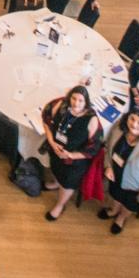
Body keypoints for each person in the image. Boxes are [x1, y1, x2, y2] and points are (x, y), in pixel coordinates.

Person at [40, 85, 103, 221]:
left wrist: (71, 155)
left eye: (81, 100)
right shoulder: (62, 105)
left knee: (67, 183)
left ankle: (60, 205)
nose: (76, 103)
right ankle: (56, 183)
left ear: (86, 102)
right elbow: (45, 116)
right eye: (74, 98)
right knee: (56, 169)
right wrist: (51, 142)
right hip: (56, 152)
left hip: (74, 162)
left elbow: (94, 148)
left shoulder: (91, 119)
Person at [100, 108, 139, 233]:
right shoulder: (119, 130)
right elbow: (108, 148)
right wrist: (108, 166)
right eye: (132, 119)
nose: (134, 124)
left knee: (128, 204)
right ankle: (114, 210)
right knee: (116, 196)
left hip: (135, 187)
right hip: (115, 177)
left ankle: (121, 218)